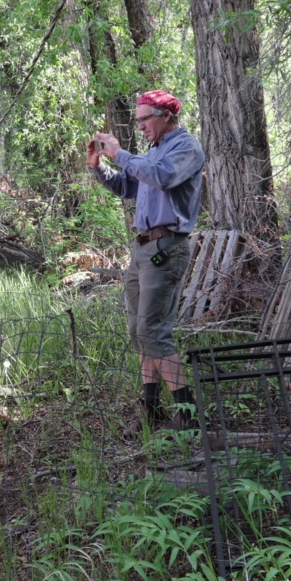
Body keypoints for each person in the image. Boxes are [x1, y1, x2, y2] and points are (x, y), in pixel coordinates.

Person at [86, 89, 205, 433]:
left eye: (144, 119)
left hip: (166, 248)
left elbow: (162, 176)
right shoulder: (153, 154)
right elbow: (127, 186)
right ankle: (151, 414)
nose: (140, 126)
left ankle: (188, 415)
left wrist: (120, 153)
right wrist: (99, 167)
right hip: (142, 250)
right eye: (137, 120)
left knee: (153, 331)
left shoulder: (185, 148)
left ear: (166, 116)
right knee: (139, 333)